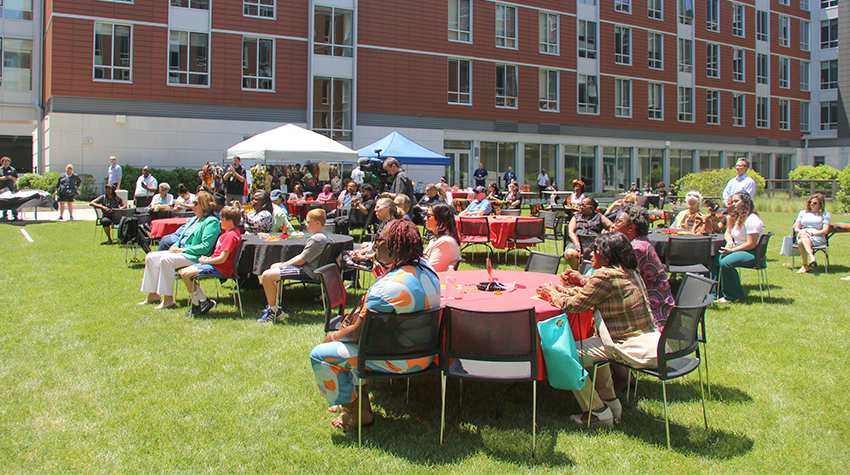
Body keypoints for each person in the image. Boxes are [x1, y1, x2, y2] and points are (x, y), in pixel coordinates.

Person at [310, 220, 441, 431]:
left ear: (390, 246)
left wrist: (332, 337)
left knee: (321, 354)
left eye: (377, 240)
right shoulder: (428, 269)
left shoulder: (386, 288)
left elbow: (355, 335)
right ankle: (360, 405)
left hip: (400, 361)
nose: (374, 245)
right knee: (356, 347)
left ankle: (354, 414)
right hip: (427, 355)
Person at [537, 232, 655, 427]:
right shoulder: (629, 271)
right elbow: (592, 294)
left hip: (622, 345)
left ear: (608, 257)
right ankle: (611, 403)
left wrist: (552, 295)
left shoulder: (605, 275)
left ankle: (597, 411)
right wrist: (563, 290)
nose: (591, 254)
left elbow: (574, 306)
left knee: (561, 354)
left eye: (596, 250)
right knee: (591, 343)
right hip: (643, 340)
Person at [138, 191, 220, 310]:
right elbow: (180, 237)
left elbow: (205, 247)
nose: (192, 205)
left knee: (166, 260)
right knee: (150, 257)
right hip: (182, 252)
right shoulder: (193, 219)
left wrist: (182, 250)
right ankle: (153, 295)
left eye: (195, 203)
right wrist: (175, 246)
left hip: (195, 255)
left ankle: (168, 299)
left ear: (204, 205)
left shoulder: (211, 221)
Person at [608, 205, 675, 328]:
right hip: (647, 307)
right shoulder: (640, 243)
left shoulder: (637, 249)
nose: (612, 226)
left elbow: (616, 280)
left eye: (618, 222)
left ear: (631, 228)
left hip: (653, 316)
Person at [258, 209, 329, 322]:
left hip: (308, 271)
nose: (305, 224)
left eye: (308, 222)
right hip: (311, 269)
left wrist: (283, 265)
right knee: (273, 266)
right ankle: (275, 305)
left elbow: (301, 260)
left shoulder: (317, 239)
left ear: (317, 223)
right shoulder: (324, 236)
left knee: (266, 276)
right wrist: (280, 265)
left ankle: (274, 311)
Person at [178, 205, 243, 316]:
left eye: (222, 220)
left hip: (221, 268)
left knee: (186, 274)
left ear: (230, 221)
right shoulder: (228, 233)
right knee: (184, 272)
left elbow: (222, 259)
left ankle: (197, 304)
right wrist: (208, 259)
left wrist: (206, 261)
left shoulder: (230, 236)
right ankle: (202, 302)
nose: (220, 221)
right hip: (215, 264)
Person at [712, 192, 765, 303]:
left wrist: (731, 250)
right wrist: (729, 241)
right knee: (714, 259)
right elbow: (727, 232)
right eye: (733, 201)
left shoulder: (753, 220)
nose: (733, 204)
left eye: (736, 201)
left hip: (752, 252)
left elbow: (751, 244)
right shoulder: (736, 217)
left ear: (745, 203)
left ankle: (733, 296)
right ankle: (714, 293)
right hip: (738, 248)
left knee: (726, 262)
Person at [564, 197, 613, 270]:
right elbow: (571, 232)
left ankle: (584, 272)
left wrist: (606, 233)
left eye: (583, 205)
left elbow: (612, 227)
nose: (580, 207)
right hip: (577, 243)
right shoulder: (576, 217)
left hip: (593, 245)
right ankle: (579, 271)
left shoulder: (599, 217)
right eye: (580, 205)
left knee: (588, 254)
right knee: (569, 254)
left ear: (591, 208)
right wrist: (577, 243)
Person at [794, 193, 830, 274]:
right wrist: (802, 231)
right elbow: (796, 228)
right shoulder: (803, 213)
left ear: (820, 204)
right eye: (811, 202)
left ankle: (805, 266)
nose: (812, 204)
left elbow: (825, 230)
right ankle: (811, 255)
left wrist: (813, 234)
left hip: (817, 236)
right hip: (803, 233)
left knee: (800, 242)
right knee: (802, 233)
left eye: (815, 203)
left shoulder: (825, 214)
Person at [423, 202, 461, 272]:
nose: (425, 218)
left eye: (429, 216)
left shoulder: (445, 243)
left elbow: (431, 271)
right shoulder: (436, 239)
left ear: (440, 219)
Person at [0, 156, 19, 221]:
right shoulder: (0, 169)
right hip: (2, 188)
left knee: (12, 202)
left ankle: (15, 216)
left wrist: (11, 178)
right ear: (2, 163)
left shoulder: (12, 169)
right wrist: (2, 178)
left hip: (10, 188)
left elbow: (16, 178)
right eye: (5, 162)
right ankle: (4, 216)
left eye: (7, 163)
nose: (6, 164)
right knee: (4, 202)